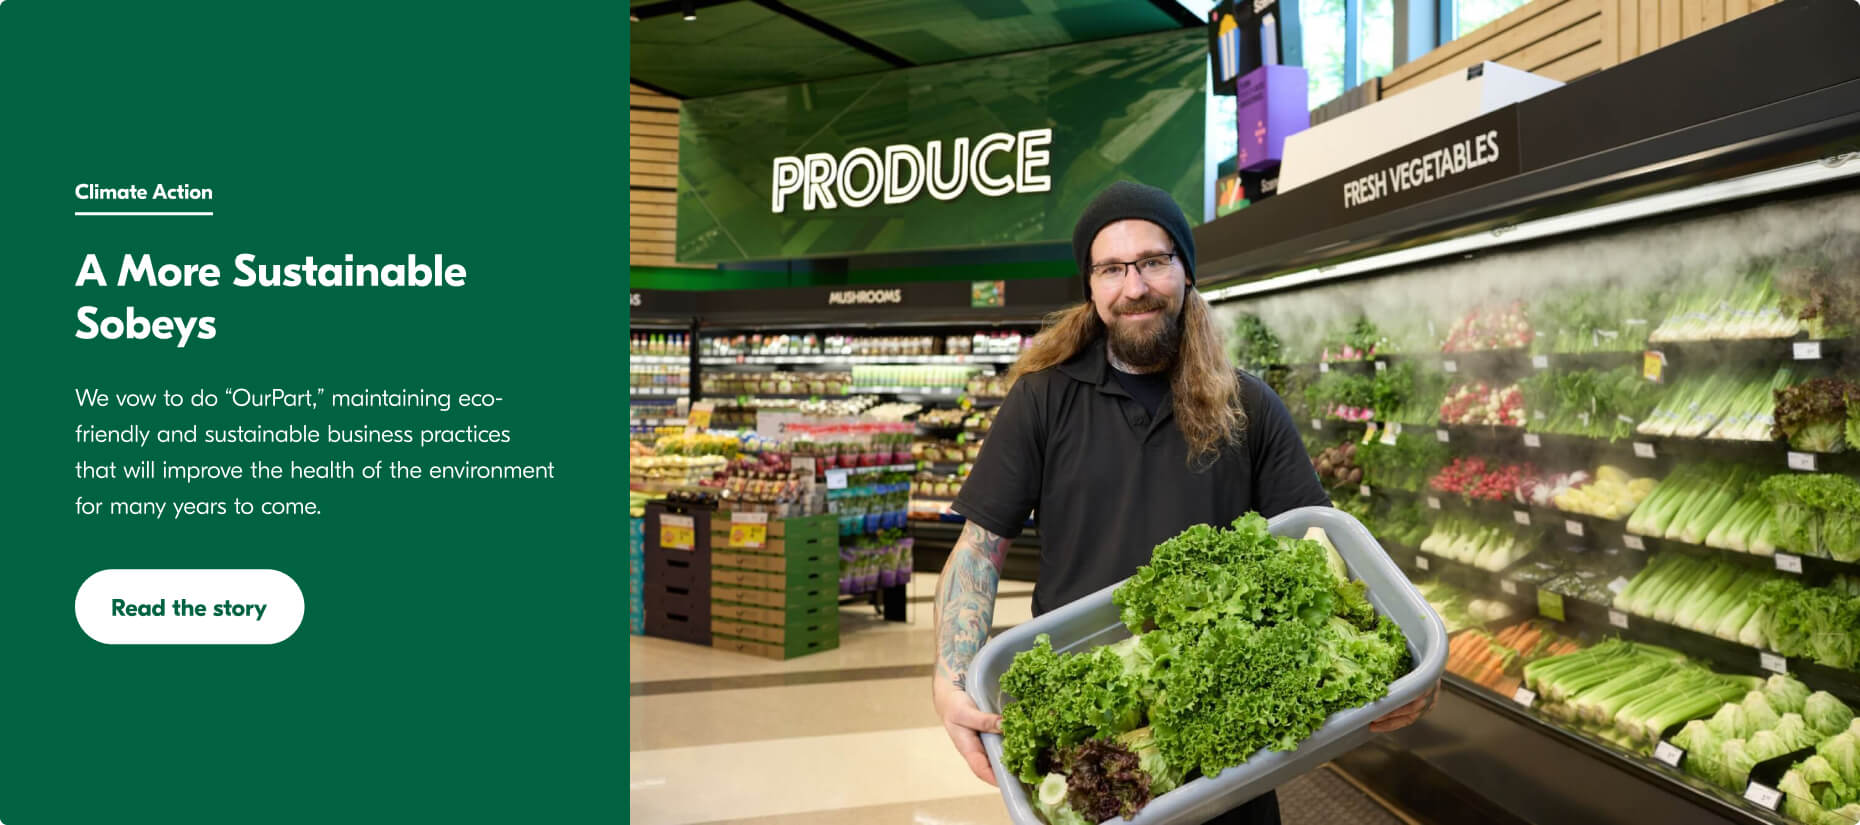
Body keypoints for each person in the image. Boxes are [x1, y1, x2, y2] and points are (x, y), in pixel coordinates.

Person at [930, 181, 1439, 825]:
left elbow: (1326, 549)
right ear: (1090, 286)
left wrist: (1411, 660)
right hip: (1090, 730)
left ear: (1187, 273)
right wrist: (949, 679)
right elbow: (980, 548)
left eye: (1153, 261)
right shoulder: (1042, 399)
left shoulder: (1249, 406)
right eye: (1111, 268)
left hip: (1226, 747)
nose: (1133, 286)